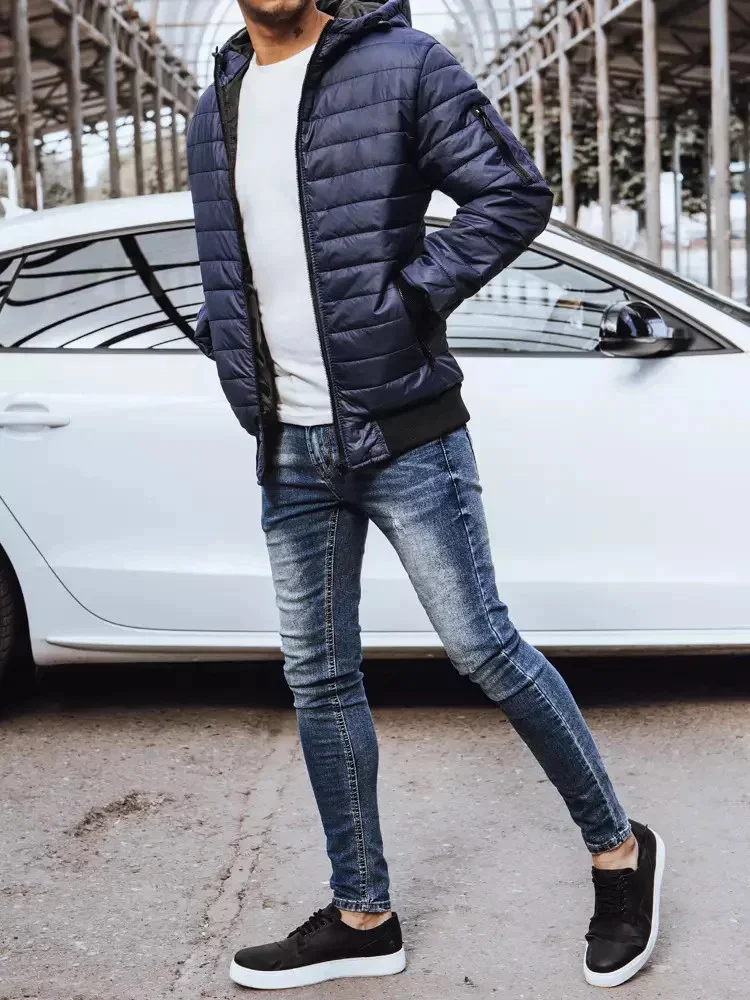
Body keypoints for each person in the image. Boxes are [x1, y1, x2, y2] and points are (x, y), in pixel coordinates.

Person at [185, 0, 665, 989]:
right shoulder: (215, 106)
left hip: (404, 430)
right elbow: (239, 260)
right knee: (318, 676)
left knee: (483, 647)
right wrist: (229, 340)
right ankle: (364, 913)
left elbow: (510, 194)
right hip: (289, 446)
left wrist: (409, 298)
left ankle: (619, 852)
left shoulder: (402, 63)